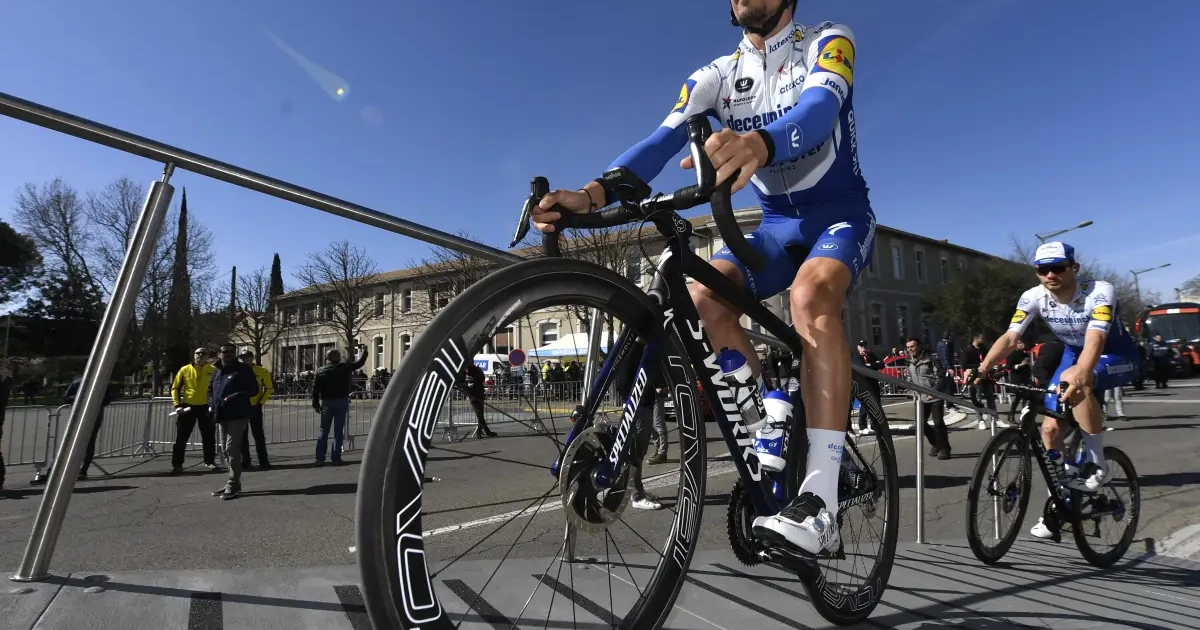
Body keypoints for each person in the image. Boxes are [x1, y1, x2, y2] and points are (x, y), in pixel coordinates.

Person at [533, 0, 872, 555]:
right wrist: (591, 195)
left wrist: (756, 143)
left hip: (840, 215)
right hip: (775, 226)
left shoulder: (829, 38)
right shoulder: (716, 74)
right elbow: (660, 140)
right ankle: (768, 423)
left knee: (811, 295)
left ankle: (821, 499)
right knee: (702, 297)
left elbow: (818, 110)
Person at [976, 242, 1140, 540]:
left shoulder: (1100, 291)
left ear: (1074, 268)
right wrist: (983, 367)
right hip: (1073, 353)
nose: (1050, 275)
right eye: (1043, 270)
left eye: (1058, 268)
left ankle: (1097, 463)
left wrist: (1082, 373)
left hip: (1116, 355)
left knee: (1075, 379)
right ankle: (1063, 497)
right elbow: (1011, 338)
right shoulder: (1033, 296)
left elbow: (1095, 339)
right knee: (1050, 430)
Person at [208, 343, 259, 499]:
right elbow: (210, 390)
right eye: (225, 351)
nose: (228, 354)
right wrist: (211, 404)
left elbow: (254, 389)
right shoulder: (217, 370)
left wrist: (234, 397)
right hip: (221, 414)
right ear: (220, 353)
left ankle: (233, 483)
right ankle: (231, 481)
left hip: (238, 414)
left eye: (231, 352)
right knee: (225, 450)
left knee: (231, 448)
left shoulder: (243, 369)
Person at [311, 346, 367, 465]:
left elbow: (315, 389)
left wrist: (315, 403)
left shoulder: (320, 371)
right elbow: (359, 363)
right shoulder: (344, 367)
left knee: (323, 430)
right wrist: (364, 352)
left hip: (327, 401)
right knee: (338, 431)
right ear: (339, 358)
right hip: (341, 400)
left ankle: (320, 458)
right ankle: (336, 457)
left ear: (327, 358)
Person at [170, 348, 218, 474]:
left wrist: (214, 404)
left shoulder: (213, 370)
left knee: (209, 437)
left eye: (203, 353)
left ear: (207, 356)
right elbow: (175, 388)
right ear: (194, 355)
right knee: (181, 437)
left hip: (206, 407)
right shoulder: (185, 369)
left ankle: (209, 461)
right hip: (188, 407)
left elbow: (217, 388)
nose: (200, 355)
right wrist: (177, 405)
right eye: (198, 353)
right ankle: (177, 464)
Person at [904, 337, 950, 459]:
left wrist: (934, 391)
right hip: (919, 397)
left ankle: (944, 449)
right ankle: (936, 444)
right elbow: (909, 377)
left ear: (919, 346)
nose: (910, 349)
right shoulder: (909, 361)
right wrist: (905, 386)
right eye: (908, 347)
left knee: (938, 423)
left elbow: (941, 376)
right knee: (920, 423)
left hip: (934, 395)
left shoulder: (931, 358)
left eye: (912, 346)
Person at [63, 377, 115, 480]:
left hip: (94, 418)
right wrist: (82, 397)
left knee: (89, 444)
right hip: (77, 418)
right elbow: (66, 398)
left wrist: (97, 399)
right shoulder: (77, 383)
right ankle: (66, 470)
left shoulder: (102, 381)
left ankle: (83, 470)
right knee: (71, 443)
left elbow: (109, 398)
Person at [238, 348, 273, 470]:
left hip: (255, 406)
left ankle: (263, 461)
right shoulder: (237, 371)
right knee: (242, 436)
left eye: (247, 357)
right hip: (241, 406)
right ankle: (245, 461)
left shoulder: (261, 371)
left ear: (252, 358)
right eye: (242, 357)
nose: (244, 359)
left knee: (258, 435)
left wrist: (261, 402)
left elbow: (269, 388)